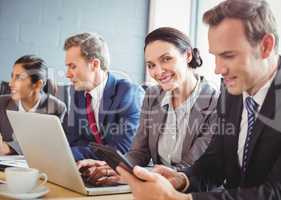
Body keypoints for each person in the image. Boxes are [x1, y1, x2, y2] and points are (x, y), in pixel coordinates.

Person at [116, 0, 281, 199]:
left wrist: (181, 199)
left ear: (265, 46)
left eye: (228, 55)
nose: (218, 69)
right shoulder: (232, 94)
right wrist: (182, 179)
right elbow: (214, 163)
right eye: (215, 56)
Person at [77, 27, 218, 185]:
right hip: (153, 188)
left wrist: (134, 175)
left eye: (166, 59)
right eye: (151, 65)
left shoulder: (215, 103)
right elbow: (139, 152)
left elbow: (191, 168)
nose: (158, 71)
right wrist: (114, 166)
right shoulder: (152, 96)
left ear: (188, 55)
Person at [63, 32, 145, 161]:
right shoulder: (78, 93)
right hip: (89, 169)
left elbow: (121, 149)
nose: (67, 74)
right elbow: (74, 140)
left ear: (95, 64)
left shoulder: (129, 93)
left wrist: (67, 154)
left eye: (73, 66)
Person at [0, 55, 66, 155]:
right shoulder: (2, 103)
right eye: (12, 76)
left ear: (37, 85)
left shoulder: (56, 108)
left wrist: (10, 148)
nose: (10, 83)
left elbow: (47, 146)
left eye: (18, 78)